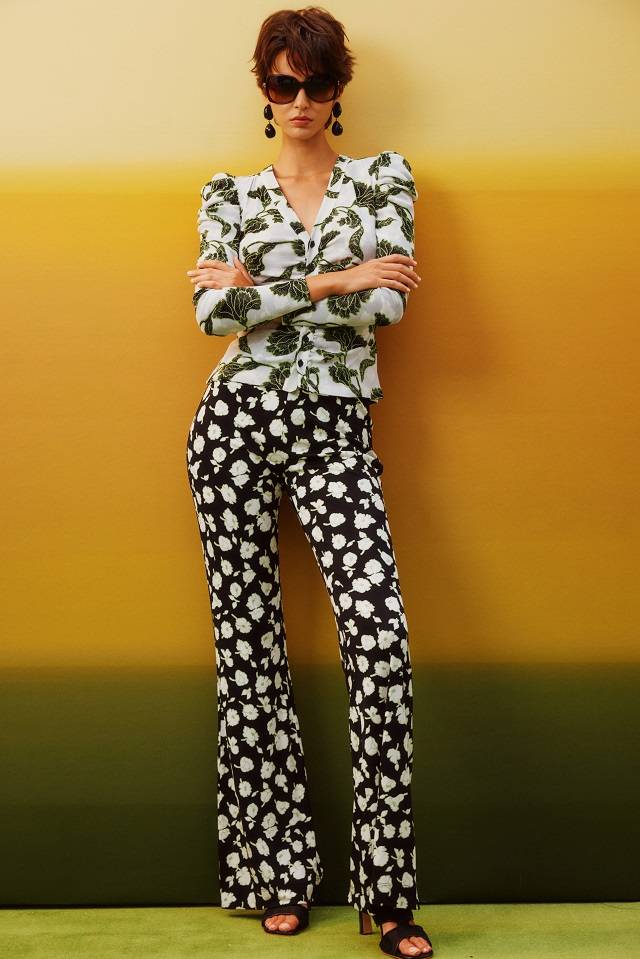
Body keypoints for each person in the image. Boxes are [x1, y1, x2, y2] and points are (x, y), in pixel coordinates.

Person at [185, 7, 433, 958]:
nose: (301, 100)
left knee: (380, 643)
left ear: (339, 90)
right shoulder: (227, 191)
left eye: (317, 83)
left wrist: (261, 292)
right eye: (284, 83)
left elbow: (389, 305)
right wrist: (333, 281)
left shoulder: (385, 179)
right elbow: (213, 320)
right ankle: (276, 874)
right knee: (250, 655)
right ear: (264, 90)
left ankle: (388, 894)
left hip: (336, 431)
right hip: (233, 426)